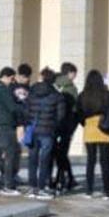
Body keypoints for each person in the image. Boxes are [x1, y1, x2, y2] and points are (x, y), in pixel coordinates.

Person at [26, 68, 65, 199]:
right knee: (45, 160)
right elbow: (61, 116)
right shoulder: (57, 95)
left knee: (32, 159)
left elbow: (26, 110)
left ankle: (32, 187)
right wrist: (54, 127)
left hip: (33, 129)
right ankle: (42, 187)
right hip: (48, 131)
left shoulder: (32, 92)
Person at [77, 69, 109, 199]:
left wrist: (85, 123)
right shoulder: (107, 94)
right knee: (105, 161)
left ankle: (89, 190)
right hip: (104, 127)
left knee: (91, 160)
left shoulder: (83, 95)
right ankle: (106, 191)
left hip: (89, 127)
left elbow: (79, 113)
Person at [0, 67, 21, 195]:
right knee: (10, 156)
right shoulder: (3, 90)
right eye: (12, 78)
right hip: (6, 125)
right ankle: (8, 185)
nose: (13, 82)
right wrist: (22, 107)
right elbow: (12, 108)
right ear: (6, 76)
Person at [53, 62, 80, 193]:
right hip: (67, 125)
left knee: (58, 153)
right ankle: (63, 179)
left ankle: (67, 177)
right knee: (63, 152)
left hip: (53, 124)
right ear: (70, 73)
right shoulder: (71, 88)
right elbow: (75, 110)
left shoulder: (54, 84)